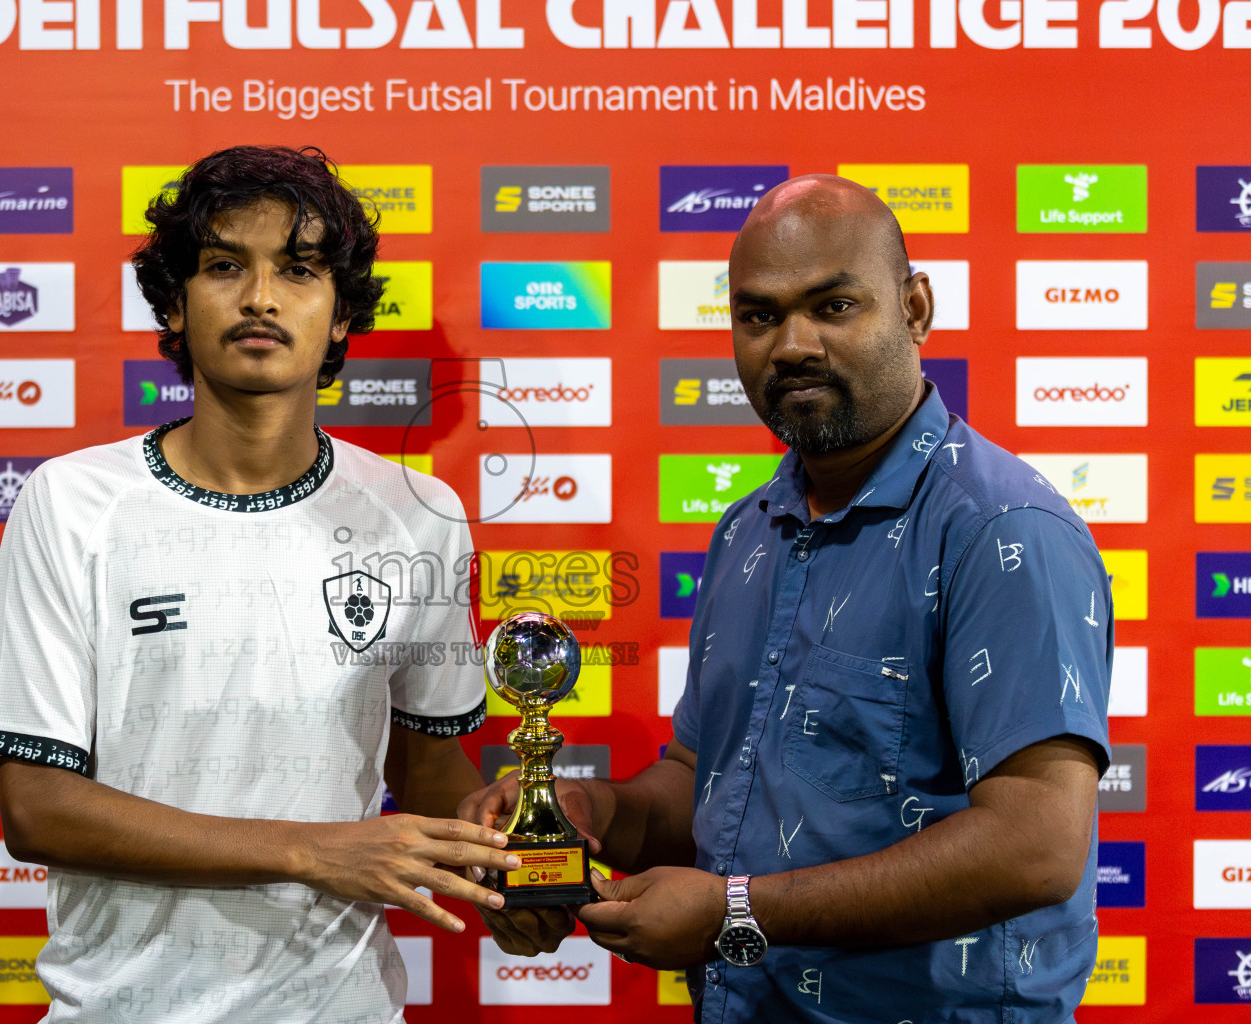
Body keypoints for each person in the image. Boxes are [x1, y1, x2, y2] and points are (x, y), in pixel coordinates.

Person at [465, 174, 1113, 1023]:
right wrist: (590, 813)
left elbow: (1035, 850)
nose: (792, 345)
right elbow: (705, 785)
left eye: (834, 307)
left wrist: (735, 912)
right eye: (760, 316)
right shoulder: (749, 529)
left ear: (915, 309)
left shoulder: (1001, 528)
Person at [0, 144, 521, 1024]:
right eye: (225, 266)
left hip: (340, 1007)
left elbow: (426, 767)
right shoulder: (73, 502)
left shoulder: (420, 512)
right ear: (176, 307)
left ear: (340, 316)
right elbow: (38, 809)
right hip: (121, 1007)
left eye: (298, 271)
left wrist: (498, 853)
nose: (260, 297)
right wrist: (315, 851)